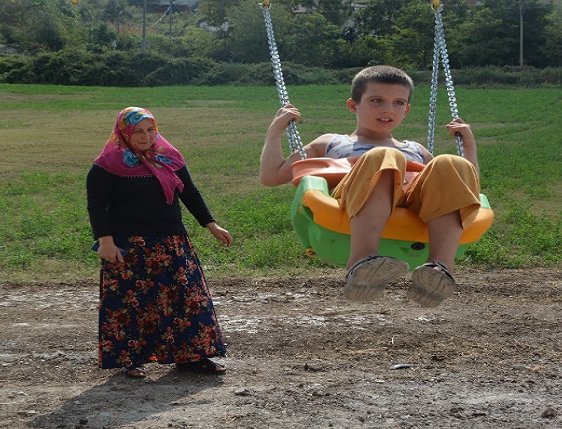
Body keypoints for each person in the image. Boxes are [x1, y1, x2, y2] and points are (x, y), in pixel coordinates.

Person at [260, 65, 481, 308]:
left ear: (406, 110)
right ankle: (362, 261)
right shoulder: (332, 142)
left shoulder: (417, 150)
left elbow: (462, 188)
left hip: (413, 205)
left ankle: (438, 269)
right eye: (377, 100)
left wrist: (468, 148)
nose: (388, 109)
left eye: (398, 103)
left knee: (450, 162)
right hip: (352, 204)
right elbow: (271, 176)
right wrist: (274, 132)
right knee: (384, 156)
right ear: (353, 105)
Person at [87, 106, 232, 378]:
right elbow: (97, 206)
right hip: (130, 246)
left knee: (188, 299)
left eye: (150, 130)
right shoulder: (107, 166)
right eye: (138, 131)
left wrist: (210, 224)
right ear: (124, 133)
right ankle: (132, 360)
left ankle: (192, 357)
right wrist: (105, 242)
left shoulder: (169, 158)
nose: (145, 136)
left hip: (172, 241)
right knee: (133, 304)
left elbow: (189, 192)